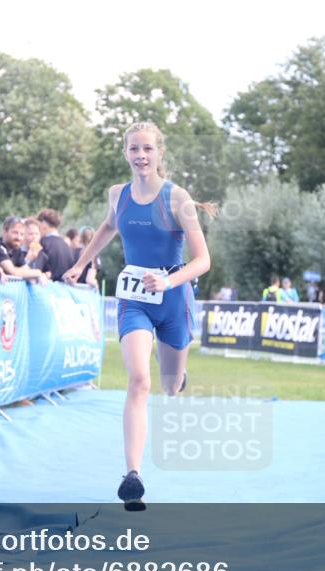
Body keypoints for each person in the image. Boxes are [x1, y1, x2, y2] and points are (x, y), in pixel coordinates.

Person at [64, 121, 214, 510]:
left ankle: (179, 377)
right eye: (134, 149)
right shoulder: (118, 195)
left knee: (169, 382)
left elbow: (204, 261)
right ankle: (133, 476)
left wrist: (168, 281)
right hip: (134, 300)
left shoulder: (176, 197)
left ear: (160, 153)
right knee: (139, 380)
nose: (141, 156)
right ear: (125, 153)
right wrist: (81, 263)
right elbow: (108, 227)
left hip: (173, 298)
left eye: (148, 149)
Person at [0, 217, 48, 283]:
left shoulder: (16, 249)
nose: (19, 237)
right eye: (15, 233)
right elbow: (13, 272)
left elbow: (26, 270)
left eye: (22, 234)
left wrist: (35, 276)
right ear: (5, 231)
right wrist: (38, 273)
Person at [35, 208, 75, 281]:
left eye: (38, 224)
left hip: (45, 288)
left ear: (43, 224)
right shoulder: (67, 246)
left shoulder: (41, 243)